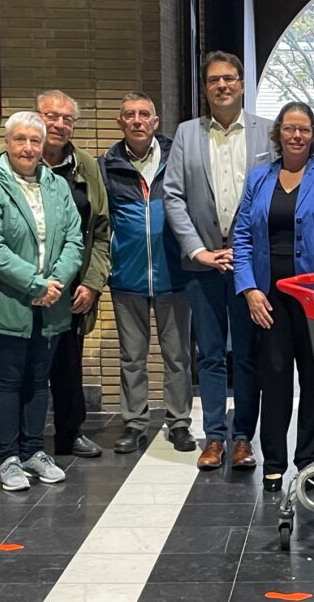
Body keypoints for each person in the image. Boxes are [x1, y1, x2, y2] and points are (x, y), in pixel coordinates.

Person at [233, 102, 314, 492]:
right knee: (275, 377)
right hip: (269, 296)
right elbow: (242, 238)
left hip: (313, 296)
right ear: (279, 134)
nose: (297, 135)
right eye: (290, 129)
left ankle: (308, 459)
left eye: (304, 129)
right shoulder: (258, 179)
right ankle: (273, 461)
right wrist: (249, 288)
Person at [164, 51, 272, 468]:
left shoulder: (266, 134)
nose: (222, 86)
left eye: (229, 78)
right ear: (205, 88)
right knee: (208, 353)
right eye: (214, 80)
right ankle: (214, 436)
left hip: (248, 264)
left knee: (245, 354)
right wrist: (199, 250)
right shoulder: (187, 134)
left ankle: (243, 437)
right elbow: (172, 195)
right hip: (202, 263)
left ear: (242, 84)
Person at [0, 111, 84, 491]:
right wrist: (35, 283)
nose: (28, 148)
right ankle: (10, 458)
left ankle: (35, 450)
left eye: (35, 141)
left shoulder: (56, 185)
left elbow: (74, 240)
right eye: (20, 139)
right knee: (9, 379)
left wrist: (56, 282)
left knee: (39, 380)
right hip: (5, 300)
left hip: (51, 301)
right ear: (7, 142)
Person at [100, 92, 193, 453]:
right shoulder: (107, 165)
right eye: (129, 115)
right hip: (127, 278)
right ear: (120, 122)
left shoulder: (176, 159)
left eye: (144, 114)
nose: (137, 121)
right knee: (132, 358)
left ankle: (179, 422)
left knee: (178, 356)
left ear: (155, 121)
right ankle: (134, 423)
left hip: (175, 275)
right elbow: (100, 221)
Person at [36, 90, 112, 459]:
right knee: (25, 366)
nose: (60, 124)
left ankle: (70, 433)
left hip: (74, 287)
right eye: (52, 116)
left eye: (68, 119)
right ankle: (24, 442)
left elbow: (101, 230)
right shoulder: (17, 162)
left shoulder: (87, 167)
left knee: (69, 365)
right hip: (26, 285)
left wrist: (93, 283)